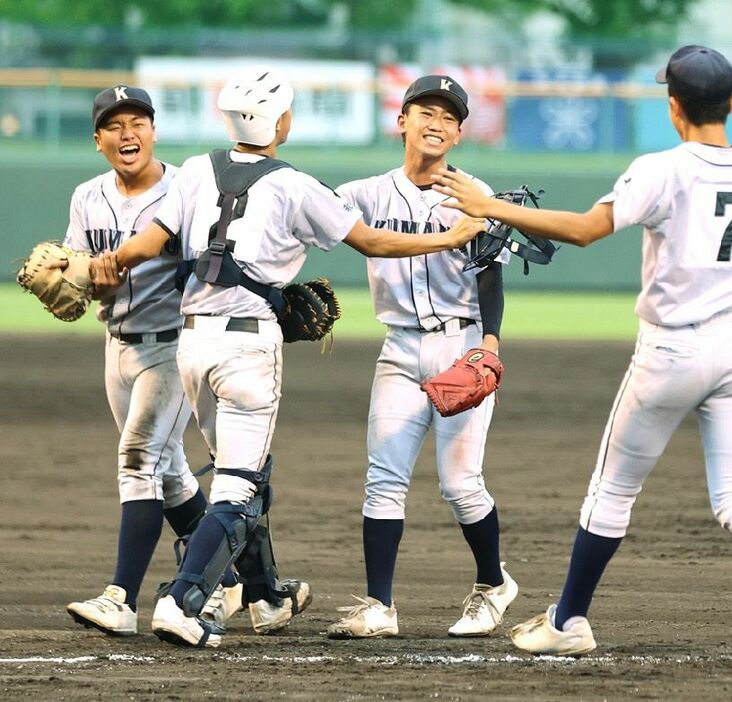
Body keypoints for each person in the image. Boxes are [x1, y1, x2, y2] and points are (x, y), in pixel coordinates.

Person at [432, 45, 732, 661]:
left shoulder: (663, 168)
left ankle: (569, 620)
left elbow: (584, 230)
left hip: (674, 350)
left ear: (673, 106)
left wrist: (490, 206)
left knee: (611, 494)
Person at [96, 65, 484, 648]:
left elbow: (152, 242)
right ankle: (183, 600)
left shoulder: (196, 170)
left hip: (191, 346)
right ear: (280, 121)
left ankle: (267, 593)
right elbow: (373, 241)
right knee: (238, 486)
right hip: (249, 347)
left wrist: (110, 263)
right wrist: (450, 238)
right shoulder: (294, 184)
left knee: (234, 469)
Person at [64, 84, 310, 640]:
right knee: (172, 474)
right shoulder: (86, 197)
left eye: (139, 122)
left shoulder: (188, 187)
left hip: (174, 347)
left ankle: (121, 598)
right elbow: (80, 270)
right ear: (98, 139)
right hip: (118, 345)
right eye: (115, 125)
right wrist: (74, 279)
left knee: (139, 460)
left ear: (154, 131)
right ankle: (261, 589)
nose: (129, 133)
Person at [326, 75, 518, 640]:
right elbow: (306, 217)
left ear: (459, 134)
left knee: (460, 483)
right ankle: (379, 606)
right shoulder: (362, 193)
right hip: (399, 348)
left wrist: (490, 344)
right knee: (383, 480)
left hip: (460, 346)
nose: (436, 123)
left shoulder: (474, 194)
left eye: (449, 117)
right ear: (402, 121)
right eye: (425, 111)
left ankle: (493, 584)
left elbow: (492, 279)